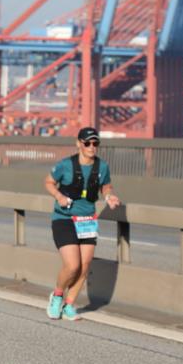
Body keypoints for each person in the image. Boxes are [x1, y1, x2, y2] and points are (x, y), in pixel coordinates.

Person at [44, 126, 121, 321]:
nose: (91, 146)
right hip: (64, 218)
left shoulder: (102, 167)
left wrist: (110, 196)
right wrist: (59, 196)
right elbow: (48, 182)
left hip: (87, 220)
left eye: (95, 143)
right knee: (72, 265)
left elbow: (106, 186)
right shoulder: (65, 165)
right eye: (87, 143)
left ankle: (69, 305)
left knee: (85, 266)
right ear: (78, 144)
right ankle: (57, 296)